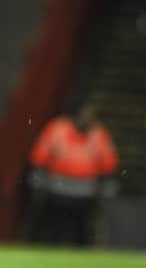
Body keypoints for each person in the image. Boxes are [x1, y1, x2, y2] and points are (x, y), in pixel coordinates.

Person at [28, 104, 118, 247]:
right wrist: (38, 180)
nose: (86, 120)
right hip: (57, 189)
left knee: (83, 230)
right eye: (84, 116)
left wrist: (106, 187)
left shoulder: (98, 135)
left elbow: (108, 165)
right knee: (53, 228)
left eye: (90, 118)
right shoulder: (58, 129)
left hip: (86, 191)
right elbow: (39, 157)